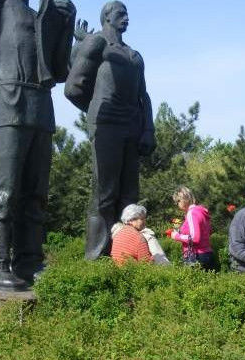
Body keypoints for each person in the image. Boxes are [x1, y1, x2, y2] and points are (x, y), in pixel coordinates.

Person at [0, 0, 76, 291]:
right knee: (4, 190)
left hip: (41, 105)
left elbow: (60, 70)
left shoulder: (43, 17)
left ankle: (29, 261)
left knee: (36, 193)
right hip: (9, 100)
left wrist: (65, 21)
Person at [65, 1, 156, 260]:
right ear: (107, 16)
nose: (126, 18)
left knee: (129, 196)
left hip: (132, 127)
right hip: (107, 125)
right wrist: (97, 110)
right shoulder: (97, 44)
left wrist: (148, 129)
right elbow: (73, 87)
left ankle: (125, 255)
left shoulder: (135, 55)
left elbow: (144, 95)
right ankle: (96, 258)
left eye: (127, 14)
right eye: (120, 13)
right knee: (104, 194)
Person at [170, 186, 216, 270]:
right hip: (207, 254)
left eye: (177, 201)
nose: (177, 204)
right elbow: (209, 231)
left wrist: (176, 236)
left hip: (197, 256)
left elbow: (194, 238)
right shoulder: (201, 211)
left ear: (184, 199)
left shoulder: (191, 213)